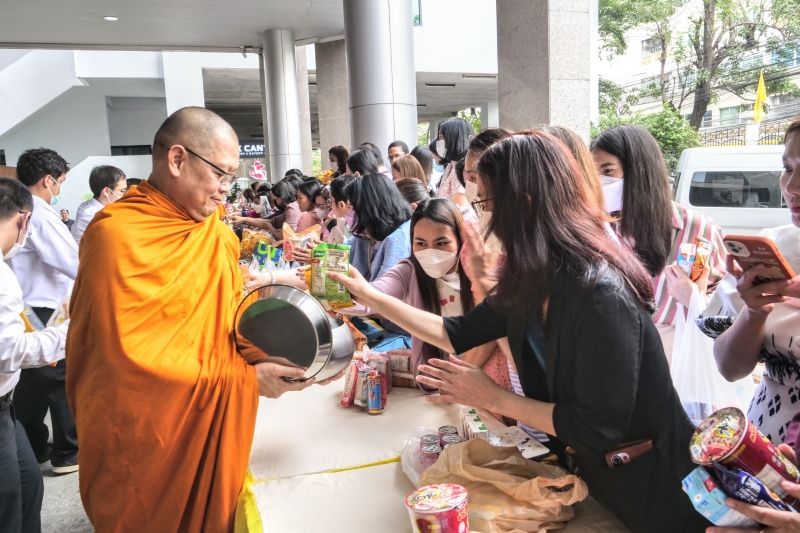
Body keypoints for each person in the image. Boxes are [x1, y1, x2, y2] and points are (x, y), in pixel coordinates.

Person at [332, 131, 708, 533]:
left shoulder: (600, 294)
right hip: (601, 478)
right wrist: (368, 293)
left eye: (486, 201)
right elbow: (457, 332)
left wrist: (494, 397)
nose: (481, 214)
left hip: (661, 490)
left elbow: (597, 427)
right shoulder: (536, 274)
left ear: (524, 203)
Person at [65, 107, 335, 533]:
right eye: (222, 175)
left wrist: (291, 354)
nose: (226, 191)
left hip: (202, 421)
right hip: (149, 440)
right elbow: (126, 366)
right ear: (177, 159)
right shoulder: (116, 238)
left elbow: (221, 324)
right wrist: (246, 382)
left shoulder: (217, 236)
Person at [702, 117, 800, 445]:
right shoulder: (773, 248)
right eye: (787, 167)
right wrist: (754, 313)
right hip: (764, 447)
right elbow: (730, 369)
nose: (791, 186)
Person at [591, 125, 726, 360]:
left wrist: (694, 296)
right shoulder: (597, 229)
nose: (600, 181)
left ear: (640, 170)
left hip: (677, 359)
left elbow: (724, 310)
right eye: (593, 174)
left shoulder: (696, 230)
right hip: (610, 353)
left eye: (608, 170)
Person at [0, 177, 69, 533]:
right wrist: (72, 331)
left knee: (27, 485)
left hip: (5, 404)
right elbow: (9, 352)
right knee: (10, 500)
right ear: (23, 220)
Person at [7, 148, 79, 476]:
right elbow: (71, 262)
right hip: (41, 308)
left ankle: (34, 446)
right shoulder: (36, 211)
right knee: (59, 377)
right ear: (47, 180)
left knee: (31, 385)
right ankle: (68, 451)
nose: (60, 188)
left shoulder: (22, 207)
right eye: (60, 182)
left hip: (27, 303)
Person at [346, 173, 412, 282]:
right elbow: (344, 251)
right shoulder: (367, 233)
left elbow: (382, 291)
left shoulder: (397, 240)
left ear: (370, 210)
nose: (350, 214)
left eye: (353, 209)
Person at [71, 164, 127, 244]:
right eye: (122, 191)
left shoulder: (93, 206)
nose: (124, 194)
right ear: (107, 191)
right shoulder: (91, 215)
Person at [228, 179, 300, 239]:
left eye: (274, 199)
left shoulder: (292, 209)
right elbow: (271, 221)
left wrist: (271, 228)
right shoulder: (287, 210)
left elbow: (287, 237)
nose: (274, 203)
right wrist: (244, 219)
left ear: (281, 197)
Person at [435, 117, 474, 211]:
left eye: (441, 137)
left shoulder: (463, 168)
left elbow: (460, 210)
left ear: (453, 138)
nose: (438, 142)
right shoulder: (451, 166)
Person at [327, 174, 357, 245]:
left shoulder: (359, 229)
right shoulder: (342, 223)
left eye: (331, 201)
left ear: (341, 205)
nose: (330, 206)